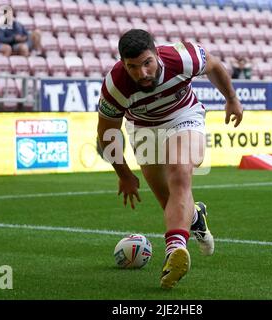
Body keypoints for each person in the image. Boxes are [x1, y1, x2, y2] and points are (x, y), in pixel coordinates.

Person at [96, 29, 243, 289]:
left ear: (157, 54)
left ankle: (174, 250)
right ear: (123, 63)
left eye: (147, 63)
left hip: (184, 115)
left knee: (180, 172)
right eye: (133, 67)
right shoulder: (115, 85)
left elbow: (214, 65)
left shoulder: (183, 57)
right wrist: (125, 174)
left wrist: (231, 99)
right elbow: (106, 133)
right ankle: (196, 218)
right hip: (142, 129)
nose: (142, 73)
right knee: (169, 201)